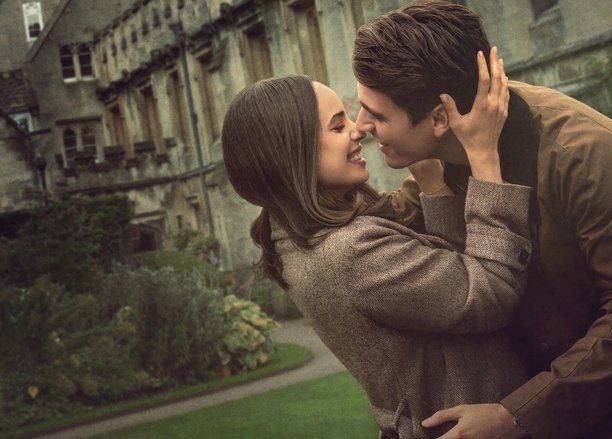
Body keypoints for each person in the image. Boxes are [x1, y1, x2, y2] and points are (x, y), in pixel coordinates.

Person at [352, 1, 612, 438]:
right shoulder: (452, 151)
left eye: (377, 114)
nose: (360, 124)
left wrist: (515, 415)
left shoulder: (584, 154)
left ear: (440, 118)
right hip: (604, 413)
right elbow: (392, 221)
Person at [221, 48, 535, 438]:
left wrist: (432, 183)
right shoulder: (351, 253)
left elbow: (443, 280)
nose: (358, 129)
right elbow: (486, 294)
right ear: (293, 155)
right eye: (337, 127)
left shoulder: (292, 239)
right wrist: (484, 157)